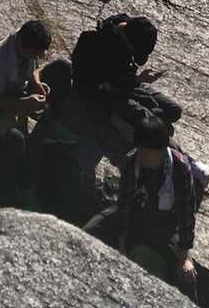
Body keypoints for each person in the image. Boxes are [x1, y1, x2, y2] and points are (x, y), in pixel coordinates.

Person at [85, 115, 200, 292]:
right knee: (91, 230)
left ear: (161, 149)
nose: (143, 156)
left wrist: (184, 256)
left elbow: (186, 213)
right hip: (135, 211)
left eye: (148, 152)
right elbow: (124, 203)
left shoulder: (180, 167)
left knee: (177, 274)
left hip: (163, 221)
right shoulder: (132, 160)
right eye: (140, 149)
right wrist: (122, 243)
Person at [0, 20, 73, 198]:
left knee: (63, 66)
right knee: (18, 140)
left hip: (19, 89)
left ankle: (53, 126)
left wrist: (37, 83)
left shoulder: (24, 40)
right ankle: (20, 187)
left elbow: (33, 67)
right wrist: (25, 103)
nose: (39, 56)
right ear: (22, 45)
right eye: (36, 52)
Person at [72, 14, 182, 138]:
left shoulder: (132, 29)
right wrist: (136, 80)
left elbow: (127, 74)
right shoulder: (93, 43)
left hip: (130, 83)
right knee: (151, 125)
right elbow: (97, 83)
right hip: (106, 92)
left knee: (174, 110)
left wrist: (137, 80)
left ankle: (150, 116)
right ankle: (133, 119)